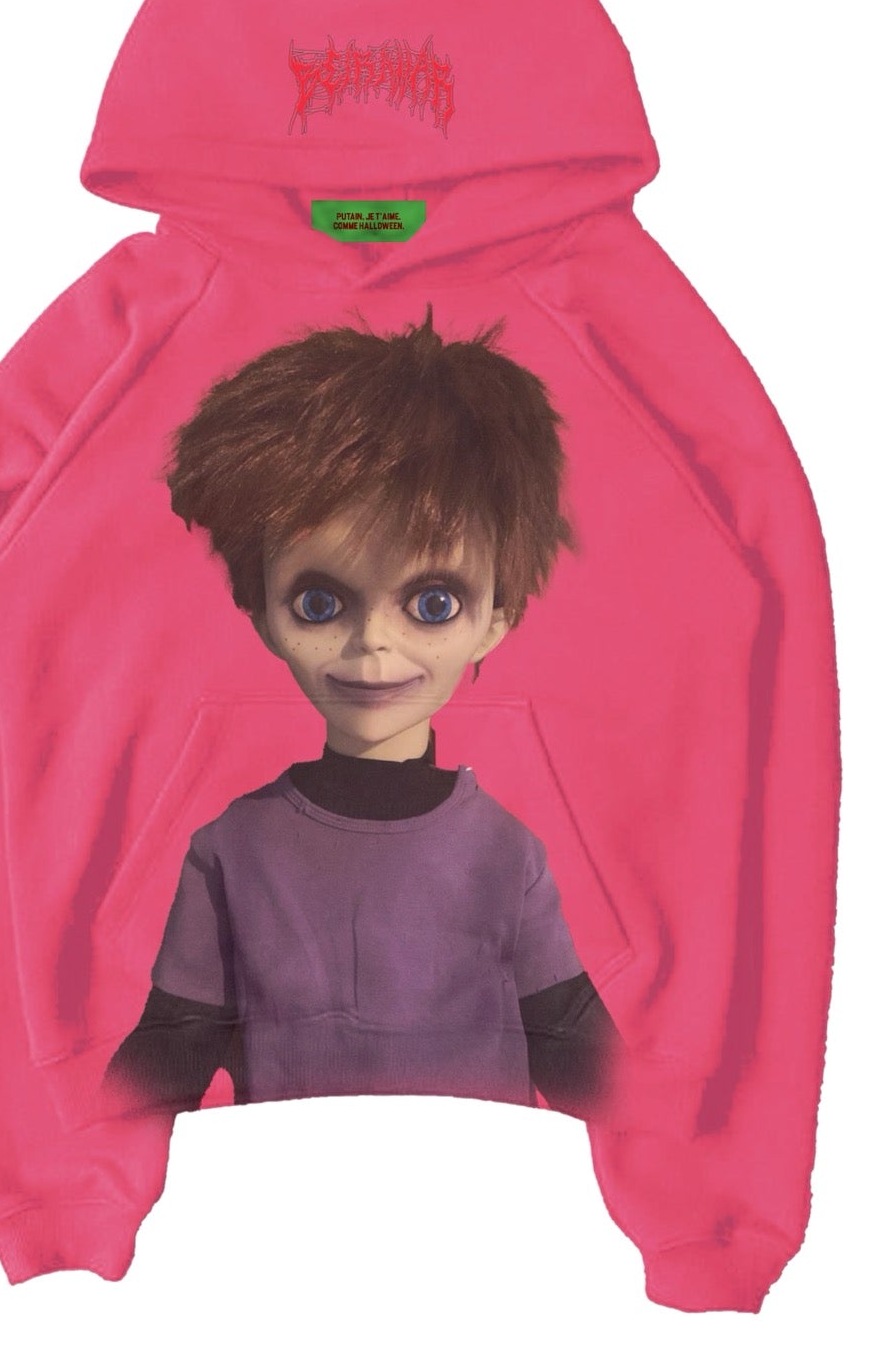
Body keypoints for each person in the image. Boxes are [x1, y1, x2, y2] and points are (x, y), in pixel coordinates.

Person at [103, 304, 620, 1118]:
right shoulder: (231, 854)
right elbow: (158, 1070)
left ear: (497, 616)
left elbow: (595, 1068)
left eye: (433, 602)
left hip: (487, 1189)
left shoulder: (504, 855)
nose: (374, 643)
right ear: (260, 610)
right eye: (319, 602)